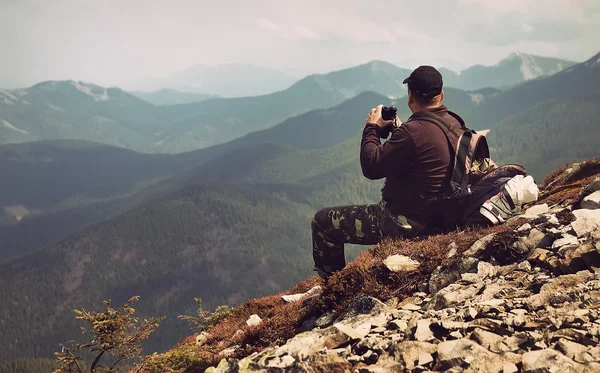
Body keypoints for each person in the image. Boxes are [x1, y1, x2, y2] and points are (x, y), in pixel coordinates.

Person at [311, 65, 466, 279]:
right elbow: (423, 149)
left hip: (407, 220)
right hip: (443, 214)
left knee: (323, 222)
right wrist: (396, 128)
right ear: (441, 95)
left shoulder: (413, 132)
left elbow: (371, 166)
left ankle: (332, 286)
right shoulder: (454, 122)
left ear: (410, 97)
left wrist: (372, 128)